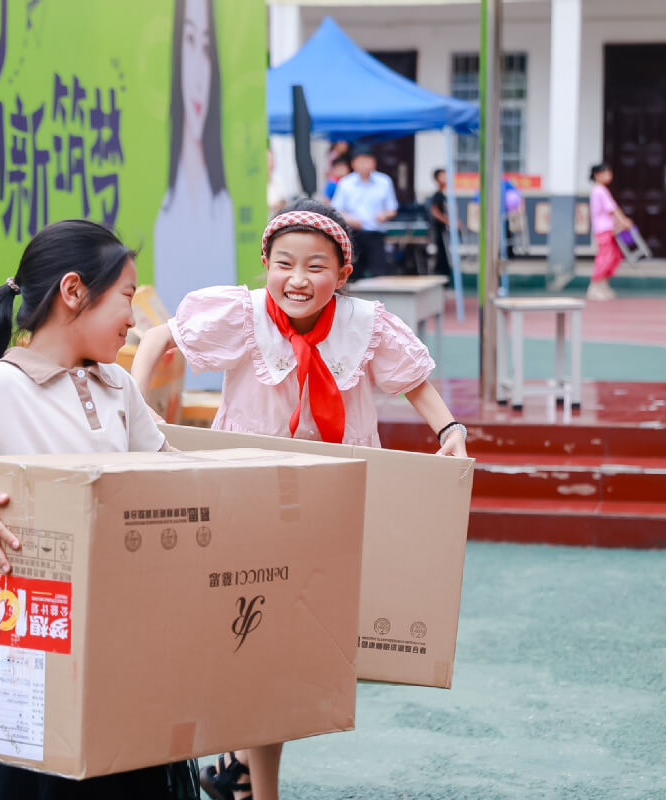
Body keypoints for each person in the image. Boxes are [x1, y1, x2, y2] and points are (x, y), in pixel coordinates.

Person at [130, 198, 470, 800]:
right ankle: (250, 780)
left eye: (316, 266)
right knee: (252, 642)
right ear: (266, 263)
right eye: (284, 263)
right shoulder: (241, 314)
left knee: (280, 649)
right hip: (245, 493)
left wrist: (450, 430)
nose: (298, 279)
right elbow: (159, 337)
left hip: (325, 500)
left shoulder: (365, 324)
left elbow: (414, 382)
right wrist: (135, 405)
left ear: (343, 273)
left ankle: (238, 766)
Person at [0, 220, 200, 800]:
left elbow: (168, 470)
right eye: (126, 297)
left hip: (126, 631)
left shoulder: (117, 386)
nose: (133, 318)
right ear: (73, 292)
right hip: (35, 641)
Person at [153, 0, 236, 317]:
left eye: (206, 47)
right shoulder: (164, 210)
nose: (199, 73)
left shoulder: (222, 205)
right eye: (189, 40)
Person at [331, 145, 398, 279]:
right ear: (353, 163)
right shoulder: (346, 183)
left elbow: (392, 209)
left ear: (374, 162)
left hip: (375, 233)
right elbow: (336, 209)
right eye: (361, 161)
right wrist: (351, 220)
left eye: (368, 160)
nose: (365, 165)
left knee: (378, 273)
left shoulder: (384, 181)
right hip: (353, 234)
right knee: (352, 274)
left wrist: (384, 215)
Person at [587, 163, 633, 300]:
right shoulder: (599, 190)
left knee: (614, 256)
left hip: (609, 229)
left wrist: (619, 223)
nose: (609, 176)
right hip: (603, 230)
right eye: (605, 173)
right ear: (597, 175)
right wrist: (623, 220)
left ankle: (603, 284)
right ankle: (595, 286)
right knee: (605, 257)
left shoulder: (601, 190)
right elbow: (612, 209)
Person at [428, 168, 452, 282]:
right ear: (437, 179)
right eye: (443, 176)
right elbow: (434, 211)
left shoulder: (445, 194)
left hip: (445, 230)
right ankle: (441, 279)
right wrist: (447, 221)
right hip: (439, 231)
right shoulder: (437, 195)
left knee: (446, 256)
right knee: (442, 256)